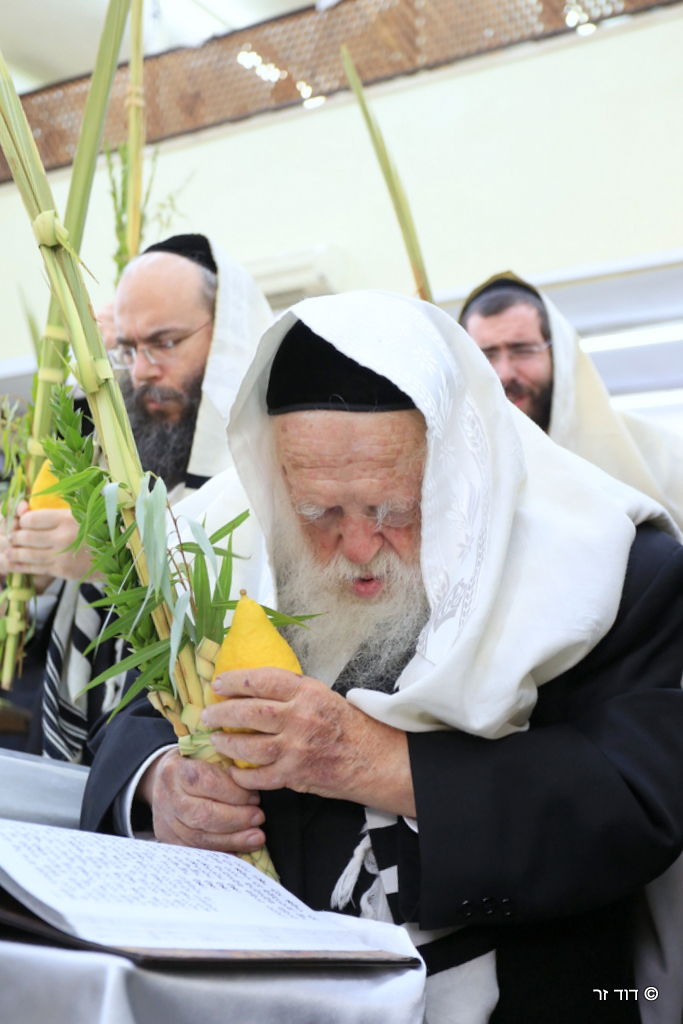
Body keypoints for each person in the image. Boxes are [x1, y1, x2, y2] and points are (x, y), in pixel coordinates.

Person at [81, 291, 683, 1022]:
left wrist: (371, 761)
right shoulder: (216, 536)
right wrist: (159, 787)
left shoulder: (612, 566)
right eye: (318, 514)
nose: (358, 549)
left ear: (460, 470)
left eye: (393, 511)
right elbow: (135, 717)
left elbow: (634, 804)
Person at [0, 234, 272, 761]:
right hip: (92, 752)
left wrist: (112, 560)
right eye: (127, 348)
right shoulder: (121, 451)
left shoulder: (267, 472)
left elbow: (249, 607)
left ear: (229, 340)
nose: (143, 368)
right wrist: (36, 576)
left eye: (165, 342)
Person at [459, 271, 683, 529]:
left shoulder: (662, 454)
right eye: (486, 354)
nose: (505, 373)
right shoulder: (455, 474)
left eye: (522, 350)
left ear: (557, 355)